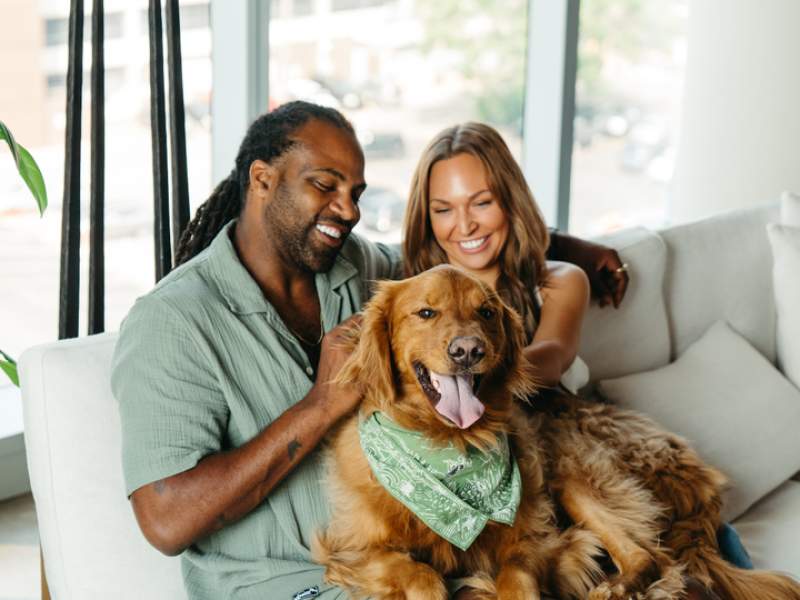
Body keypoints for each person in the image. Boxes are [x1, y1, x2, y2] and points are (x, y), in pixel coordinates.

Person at [111, 101, 628, 600]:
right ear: (262, 179)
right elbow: (166, 521)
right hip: (289, 584)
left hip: (409, 568)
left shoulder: (354, 265)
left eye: (356, 192)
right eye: (324, 185)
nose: (349, 210)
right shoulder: (172, 321)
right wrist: (322, 404)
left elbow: (454, 250)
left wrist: (563, 248)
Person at [401, 122, 752, 600]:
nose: (464, 226)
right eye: (444, 209)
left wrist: (469, 353)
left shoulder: (560, 281)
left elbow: (550, 359)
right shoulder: (412, 290)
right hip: (474, 460)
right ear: (427, 218)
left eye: (482, 203)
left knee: (702, 563)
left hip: (560, 434)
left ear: (509, 200)